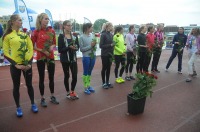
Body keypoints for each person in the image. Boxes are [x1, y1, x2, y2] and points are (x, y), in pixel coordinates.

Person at [2, 14, 38, 117]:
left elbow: (31, 48)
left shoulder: (25, 35)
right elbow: (6, 53)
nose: (21, 22)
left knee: (29, 85)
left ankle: (33, 104)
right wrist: (15, 65)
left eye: (21, 20)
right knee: (16, 86)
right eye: (19, 20)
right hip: (15, 66)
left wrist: (30, 63)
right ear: (13, 22)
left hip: (27, 65)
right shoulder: (7, 36)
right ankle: (18, 107)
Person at [31, 13, 59, 107]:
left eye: (48, 19)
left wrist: (52, 46)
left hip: (50, 57)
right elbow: (32, 46)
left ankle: (52, 96)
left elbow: (54, 43)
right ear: (40, 20)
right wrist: (42, 51)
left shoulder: (52, 31)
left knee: (51, 77)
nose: (47, 20)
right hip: (41, 58)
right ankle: (42, 98)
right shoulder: (36, 32)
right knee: (41, 77)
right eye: (45, 19)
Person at [58, 20, 79, 99]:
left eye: (71, 25)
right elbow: (60, 50)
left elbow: (78, 47)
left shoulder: (74, 36)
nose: (70, 27)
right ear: (64, 26)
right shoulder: (61, 36)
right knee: (67, 76)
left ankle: (72, 91)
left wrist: (75, 48)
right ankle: (67, 92)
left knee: (75, 76)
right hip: (65, 60)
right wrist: (68, 47)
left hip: (73, 59)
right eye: (68, 25)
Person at [79, 23, 96, 95]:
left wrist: (95, 45)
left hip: (93, 56)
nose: (92, 29)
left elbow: (94, 46)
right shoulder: (81, 37)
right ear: (87, 28)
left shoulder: (92, 35)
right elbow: (82, 49)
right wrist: (90, 46)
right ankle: (85, 87)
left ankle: (89, 86)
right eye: (91, 27)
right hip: (86, 56)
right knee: (86, 71)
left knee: (90, 71)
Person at [99, 22, 114, 89]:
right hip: (104, 54)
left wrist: (113, 45)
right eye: (111, 26)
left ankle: (107, 81)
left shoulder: (111, 34)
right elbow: (101, 46)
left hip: (110, 54)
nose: (112, 27)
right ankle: (103, 82)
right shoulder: (103, 34)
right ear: (108, 26)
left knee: (109, 68)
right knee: (104, 68)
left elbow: (112, 44)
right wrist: (110, 45)